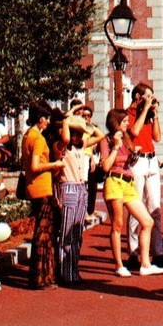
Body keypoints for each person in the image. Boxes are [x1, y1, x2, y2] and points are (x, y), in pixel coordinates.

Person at [100, 108, 163, 278]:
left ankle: (145, 264)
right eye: (123, 121)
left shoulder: (127, 138)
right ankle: (119, 265)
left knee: (147, 221)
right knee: (118, 224)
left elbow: (130, 161)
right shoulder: (106, 139)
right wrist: (115, 147)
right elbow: (106, 166)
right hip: (114, 181)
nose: (127, 123)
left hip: (128, 182)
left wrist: (134, 154)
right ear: (115, 122)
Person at [54, 102, 106, 284]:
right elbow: (66, 139)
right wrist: (68, 120)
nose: (76, 137)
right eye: (73, 132)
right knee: (67, 231)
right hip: (68, 186)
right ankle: (64, 272)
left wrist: (85, 124)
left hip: (81, 187)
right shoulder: (61, 146)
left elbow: (100, 135)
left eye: (79, 133)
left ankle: (73, 269)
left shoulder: (81, 146)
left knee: (77, 233)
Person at [21, 102, 66, 289]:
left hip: (34, 187)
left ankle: (41, 275)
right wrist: (55, 165)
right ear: (41, 119)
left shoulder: (27, 136)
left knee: (42, 231)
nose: (48, 122)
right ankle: (42, 276)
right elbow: (35, 165)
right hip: (42, 188)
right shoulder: (38, 138)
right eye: (47, 119)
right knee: (44, 233)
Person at [126, 82, 163, 269]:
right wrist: (144, 111)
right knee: (137, 207)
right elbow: (134, 132)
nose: (150, 100)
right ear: (137, 97)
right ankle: (134, 252)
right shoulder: (129, 114)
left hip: (151, 160)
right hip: (137, 161)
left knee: (155, 207)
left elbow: (157, 137)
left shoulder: (149, 116)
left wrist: (155, 114)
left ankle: (157, 251)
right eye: (147, 96)